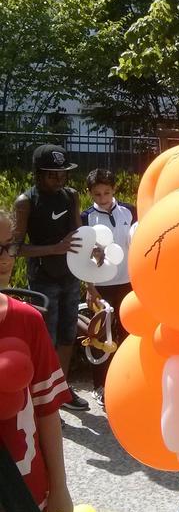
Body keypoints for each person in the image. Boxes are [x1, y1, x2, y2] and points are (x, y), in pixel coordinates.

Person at [0, 209, 73, 512]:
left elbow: (46, 412)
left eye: (7, 247)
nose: (5, 259)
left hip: (20, 501)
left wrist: (59, 489)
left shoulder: (27, 321)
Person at [14, 144, 88, 411]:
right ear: (37, 174)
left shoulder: (71, 196)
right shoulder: (26, 202)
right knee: (47, 339)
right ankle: (44, 397)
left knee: (68, 335)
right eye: (52, 175)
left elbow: (79, 234)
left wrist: (94, 249)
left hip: (70, 275)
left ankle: (63, 389)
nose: (59, 179)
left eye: (63, 174)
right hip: (43, 279)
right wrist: (54, 249)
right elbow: (15, 248)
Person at [81, 169, 136, 408]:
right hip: (101, 287)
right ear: (89, 193)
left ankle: (127, 381)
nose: (102, 198)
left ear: (114, 190)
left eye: (107, 192)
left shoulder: (130, 211)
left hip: (127, 283)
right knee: (100, 338)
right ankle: (100, 385)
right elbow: (82, 257)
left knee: (128, 334)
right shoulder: (86, 218)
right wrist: (89, 286)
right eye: (97, 194)